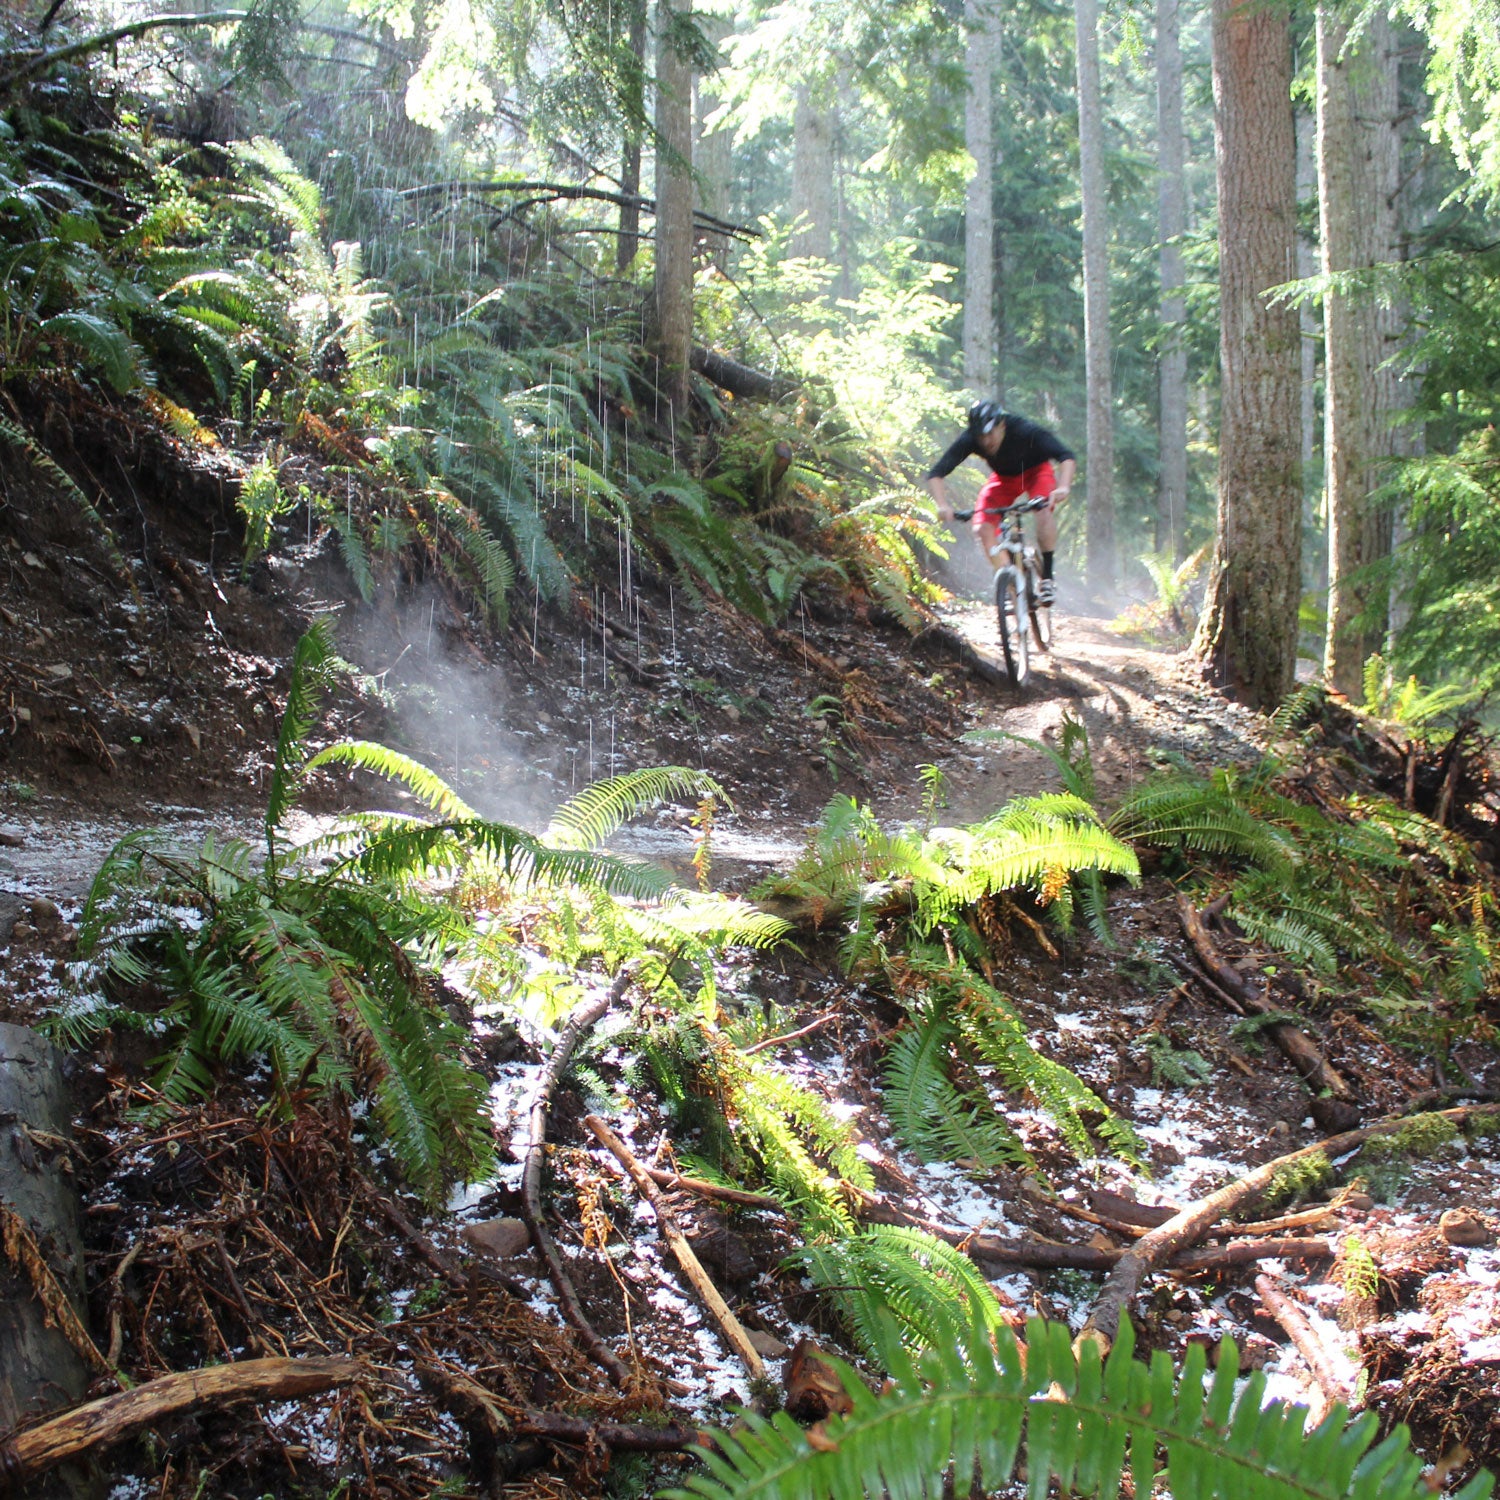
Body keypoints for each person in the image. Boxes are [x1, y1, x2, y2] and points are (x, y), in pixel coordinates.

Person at [924, 401, 1076, 606]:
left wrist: (1063, 486)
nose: (986, 442)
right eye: (980, 436)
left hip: (1037, 472)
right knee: (982, 527)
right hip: (1004, 479)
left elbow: (1066, 456)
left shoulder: (1025, 430)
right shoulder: (971, 439)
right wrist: (942, 505)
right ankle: (1008, 580)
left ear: (1002, 425)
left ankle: (1047, 577)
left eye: (990, 434)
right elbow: (937, 473)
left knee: (1043, 511)